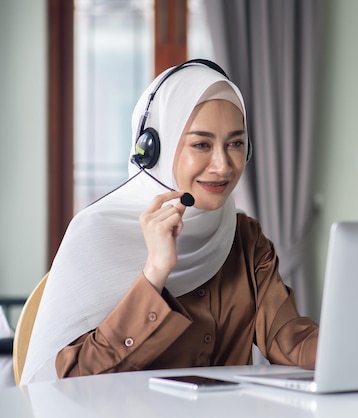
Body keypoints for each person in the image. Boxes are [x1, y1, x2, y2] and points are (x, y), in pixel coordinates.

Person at [20, 59, 318, 385]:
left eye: (235, 143)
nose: (222, 165)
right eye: (201, 144)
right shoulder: (96, 234)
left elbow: (290, 341)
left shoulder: (245, 237)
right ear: (155, 151)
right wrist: (155, 273)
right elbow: (72, 381)